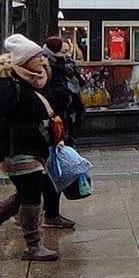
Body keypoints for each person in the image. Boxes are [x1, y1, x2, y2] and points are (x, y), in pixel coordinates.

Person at [0, 34, 62, 261]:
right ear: (24, 59)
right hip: (16, 147)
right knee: (32, 193)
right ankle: (33, 245)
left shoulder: (36, 79)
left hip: (36, 144)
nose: (42, 60)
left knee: (27, 192)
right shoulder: (7, 83)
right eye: (36, 56)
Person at [40, 38, 84, 231]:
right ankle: (48, 214)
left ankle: (44, 212)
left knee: (49, 172)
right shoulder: (49, 68)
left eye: (68, 50)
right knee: (52, 172)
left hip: (61, 125)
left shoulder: (61, 66)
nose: (66, 53)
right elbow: (58, 96)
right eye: (63, 50)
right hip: (54, 127)